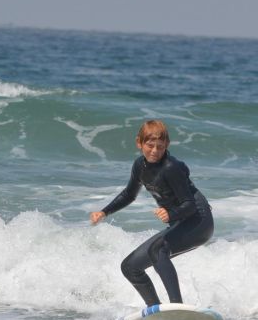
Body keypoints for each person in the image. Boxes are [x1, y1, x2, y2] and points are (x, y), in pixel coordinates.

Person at [90, 120, 214, 307]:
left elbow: (189, 205)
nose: (155, 151)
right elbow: (129, 194)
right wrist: (104, 211)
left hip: (199, 222)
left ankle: (176, 306)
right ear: (139, 142)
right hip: (180, 222)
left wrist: (171, 214)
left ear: (167, 146)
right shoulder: (140, 165)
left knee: (158, 250)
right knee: (130, 267)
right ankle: (155, 310)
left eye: (160, 147)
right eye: (150, 145)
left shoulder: (171, 168)